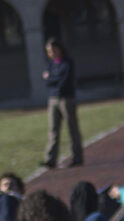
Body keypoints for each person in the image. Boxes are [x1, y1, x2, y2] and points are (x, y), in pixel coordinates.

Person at [41, 37, 83, 169]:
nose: (51, 53)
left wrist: (52, 78)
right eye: (48, 51)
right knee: (53, 130)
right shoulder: (50, 64)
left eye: (53, 49)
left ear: (59, 49)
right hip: (53, 99)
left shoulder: (67, 63)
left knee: (72, 129)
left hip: (66, 99)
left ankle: (77, 157)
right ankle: (50, 159)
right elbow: (47, 82)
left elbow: (63, 81)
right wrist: (53, 79)